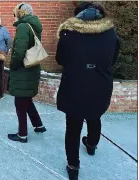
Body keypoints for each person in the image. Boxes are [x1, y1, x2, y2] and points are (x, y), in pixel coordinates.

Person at [56, 2, 120, 180]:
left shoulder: (68, 33)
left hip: (74, 84)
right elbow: (112, 59)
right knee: (94, 116)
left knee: (73, 127)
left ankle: (73, 166)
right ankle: (91, 144)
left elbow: (60, 59)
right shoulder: (111, 34)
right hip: (100, 83)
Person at [7, 3, 47, 143]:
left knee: (20, 103)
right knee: (27, 99)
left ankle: (22, 134)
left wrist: (13, 65)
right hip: (32, 67)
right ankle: (39, 125)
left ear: (21, 12)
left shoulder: (23, 26)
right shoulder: (34, 25)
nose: (15, 14)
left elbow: (19, 51)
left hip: (23, 70)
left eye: (16, 12)